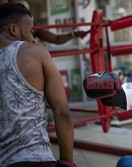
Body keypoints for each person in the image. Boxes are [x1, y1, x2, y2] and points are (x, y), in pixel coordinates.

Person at [0, 3, 76, 167]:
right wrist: (67, 163)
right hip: (35, 157)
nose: (33, 39)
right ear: (13, 29)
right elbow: (62, 111)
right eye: (30, 31)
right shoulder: (35, 52)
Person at [15, 0, 87, 44]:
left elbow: (56, 39)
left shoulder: (34, 27)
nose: (19, 13)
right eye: (16, 9)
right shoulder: (5, 19)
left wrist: (73, 34)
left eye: (22, 10)